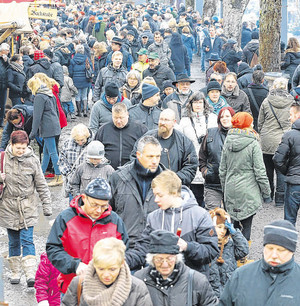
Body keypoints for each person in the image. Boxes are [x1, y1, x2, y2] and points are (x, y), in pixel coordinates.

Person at [46, 178, 129, 294]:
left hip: (105, 290)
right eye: (94, 205)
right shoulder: (65, 218)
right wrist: (75, 265)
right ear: (84, 198)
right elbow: (53, 249)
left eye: (104, 206)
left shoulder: (115, 220)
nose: (99, 210)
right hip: (72, 287)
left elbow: (125, 250)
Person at [0, 131, 51, 287]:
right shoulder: (2, 159)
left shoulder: (33, 161)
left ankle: (30, 274)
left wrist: (47, 204)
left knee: (27, 240)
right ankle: (15, 272)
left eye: (24, 147)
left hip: (28, 205)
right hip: (8, 206)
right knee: (13, 241)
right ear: (11, 145)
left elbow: (41, 184)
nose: (21, 151)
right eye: (18, 148)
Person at [219, 220, 300, 305]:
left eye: (281, 250)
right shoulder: (241, 275)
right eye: (270, 248)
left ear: (292, 251)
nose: (274, 255)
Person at [219, 112, 271, 242]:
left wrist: (225, 188)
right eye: (251, 122)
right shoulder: (253, 143)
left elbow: (222, 170)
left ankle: (233, 253)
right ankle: (243, 256)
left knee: (233, 225)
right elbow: (260, 172)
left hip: (231, 187)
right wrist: (266, 192)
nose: (253, 124)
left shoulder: (228, 141)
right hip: (248, 189)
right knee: (247, 226)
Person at [134, 229, 218, 306]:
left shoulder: (197, 281)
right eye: (159, 259)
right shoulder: (139, 280)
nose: (165, 264)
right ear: (152, 259)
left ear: (176, 258)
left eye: (169, 258)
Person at [61, 238, 153, 306]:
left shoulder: (137, 288)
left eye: (112, 269)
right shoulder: (79, 284)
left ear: (121, 263)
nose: (106, 275)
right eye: (101, 269)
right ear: (94, 264)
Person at [109, 135, 164, 248]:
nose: (155, 161)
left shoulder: (167, 180)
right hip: (125, 246)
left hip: (156, 246)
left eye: (158, 156)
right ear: (138, 155)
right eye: (150, 156)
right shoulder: (118, 178)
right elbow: (107, 212)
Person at [131, 109, 198, 186]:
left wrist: (172, 180)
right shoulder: (147, 138)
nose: (162, 123)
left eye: (166, 120)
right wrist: (148, 175)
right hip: (149, 187)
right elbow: (135, 158)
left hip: (174, 190)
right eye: (161, 119)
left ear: (174, 122)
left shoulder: (184, 142)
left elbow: (191, 167)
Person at [258, 78, 294, 206]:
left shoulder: (267, 101)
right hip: (284, 139)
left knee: (268, 169)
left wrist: (262, 133)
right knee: (281, 170)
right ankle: (280, 199)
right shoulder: (291, 101)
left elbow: (260, 122)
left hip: (267, 139)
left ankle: (268, 195)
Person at [179, 92, 218, 206]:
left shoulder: (212, 118)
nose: (198, 105)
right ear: (190, 104)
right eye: (195, 102)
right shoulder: (184, 121)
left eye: (200, 102)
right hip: (192, 159)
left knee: (212, 197)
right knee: (196, 196)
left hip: (210, 160)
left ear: (204, 103)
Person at [27, 76, 62, 187]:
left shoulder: (39, 97)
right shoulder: (49, 93)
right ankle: (41, 174)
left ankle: (59, 175)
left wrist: (32, 134)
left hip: (48, 128)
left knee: (52, 152)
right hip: (54, 125)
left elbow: (36, 117)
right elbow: (56, 110)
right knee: (46, 152)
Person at [199, 107, 235, 210]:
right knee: (213, 216)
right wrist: (205, 171)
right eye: (222, 117)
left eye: (227, 116)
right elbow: (202, 155)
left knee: (233, 217)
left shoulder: (239, 134)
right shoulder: (210, 133)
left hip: (233, 185)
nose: (224, 119)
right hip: (212, 183)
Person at [208, 208, 248, 298]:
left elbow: (243, 250)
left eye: (225, 228)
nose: (223, 231)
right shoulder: (206, 246)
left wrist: (235, 233)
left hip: (229, 292)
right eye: (219, 227)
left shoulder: (229, 244)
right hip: (211, 294)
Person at [95, 103, 148, 170]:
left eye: (121, 117)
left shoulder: (140, 129)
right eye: (115, 118)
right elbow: (96, 149)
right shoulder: (103, 130)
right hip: (109, 171)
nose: (118, 121)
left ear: (127, 115)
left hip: (132, 171)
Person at [273, 102, 300, 225]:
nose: (289, 117)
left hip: (294, 183)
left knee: (289, 221)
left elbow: (278, 159)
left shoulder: (289, 135)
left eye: (291, 114)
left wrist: (287, 171)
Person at [58, 124, 92, 200]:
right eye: (77, 140)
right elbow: (62, 160)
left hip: (87, 184)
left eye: (82, 140)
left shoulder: (92, 145)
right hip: (71, 185)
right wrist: (69, 174)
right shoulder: (67, 143)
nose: (80, 143)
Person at [69, 44, 93, 117]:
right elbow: (91, 68)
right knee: (85, 95)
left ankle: (79, 112)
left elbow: (71, 71)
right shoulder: (87, 59)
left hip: (76, 80)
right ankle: (85, 110)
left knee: (77, 96)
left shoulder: (73, 60)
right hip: (85, 79)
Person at [0, 43, 10, 127]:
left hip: (3, 85)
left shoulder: (6, 59)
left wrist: (7, 61)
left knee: (2, 104)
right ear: (2, 51)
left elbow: (9, 68)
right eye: (7, 50)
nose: (8, 52)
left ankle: (1, 121)